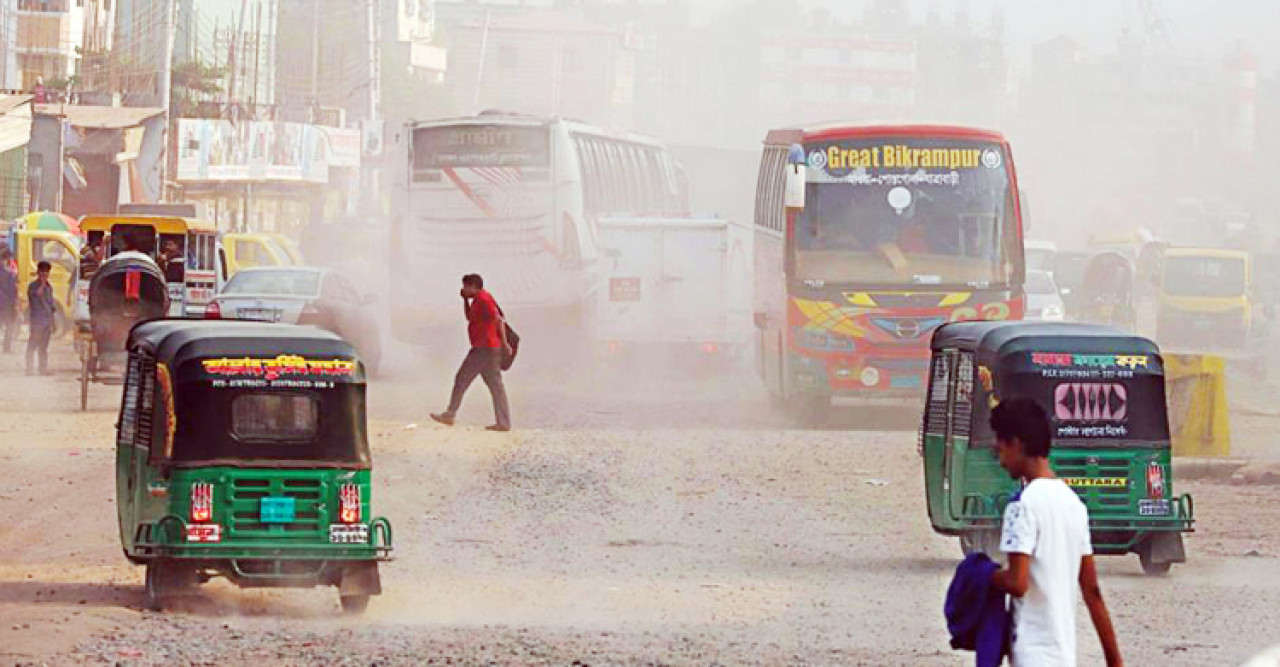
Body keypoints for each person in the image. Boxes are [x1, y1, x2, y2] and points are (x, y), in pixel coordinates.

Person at [989, 397, 1123, 667]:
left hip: (1030, 654)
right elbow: (1092, 590)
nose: (1001, 461)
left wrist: (980, 575)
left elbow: (1017, 583)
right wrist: (1115, 661)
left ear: (1015, 443)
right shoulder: (1074, 504)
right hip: (1063, 656)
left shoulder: (1022, 505)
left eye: (1000, 450)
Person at [430, 274, 512, 432]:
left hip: (484, 348)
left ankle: (450, 414)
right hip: (486, 347)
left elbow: (498, 320)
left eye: (466, 286)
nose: (464, 289)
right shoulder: (477, 300)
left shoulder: (484, 299)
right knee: (496, 386)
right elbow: (469, 318)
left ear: (474, 286)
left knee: (462, 378)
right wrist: (465, 301)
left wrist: (504, 343)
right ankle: (503, 423)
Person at [26, 261, 57, 376]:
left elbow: (51, 306)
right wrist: (42, 284)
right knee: (33, 344)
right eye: (42, 272)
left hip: (47, 321)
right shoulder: (33, 286)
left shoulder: (49, 287)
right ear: (38, 272)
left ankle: (42, 368)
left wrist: (53, 322)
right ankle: (29, 368)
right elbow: (36, 295)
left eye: (46, 272)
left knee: (43, 347)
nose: (45, 274)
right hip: (37, 321)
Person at [0, 249, 17, 353]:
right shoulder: (3, 272)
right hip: (3, 304)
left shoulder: (10, 272)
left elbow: (13, 288)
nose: (10, 260)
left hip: (9, 304)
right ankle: (6, 347)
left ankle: (7, 347)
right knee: (8, 325)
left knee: (10, 326)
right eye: (8, 259)